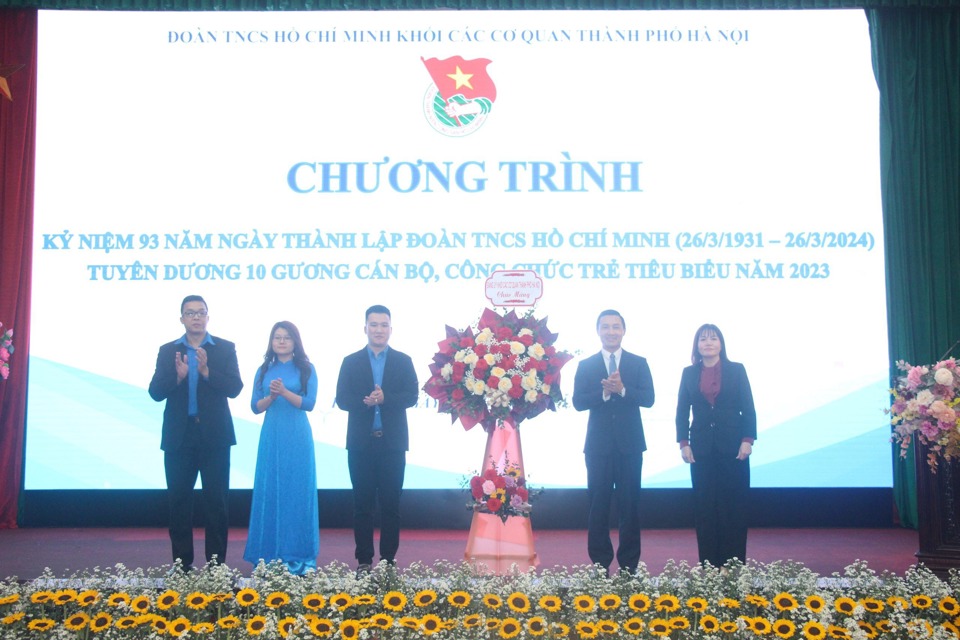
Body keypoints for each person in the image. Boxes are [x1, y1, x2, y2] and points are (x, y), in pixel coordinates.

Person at [148, 295, 243, 570]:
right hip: (180, 437)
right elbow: (155, 392)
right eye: (190, 313)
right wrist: (177, 377)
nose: (196, 317)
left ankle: (216, 566)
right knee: (178, 503)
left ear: (208, 317)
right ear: (182, 319)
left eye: (201, 312)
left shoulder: (224, 349)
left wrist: (206, 371)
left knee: (217, 504)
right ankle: (182, 565)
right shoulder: (169, 351)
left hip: (214, 437)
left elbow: (235, 388)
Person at [335, 304, 419, 572]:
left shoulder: (403, 361)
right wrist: (366, 403)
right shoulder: (351, 361)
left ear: (391, 329)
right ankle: (363, 560)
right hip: (361, 443)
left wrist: (386, 399)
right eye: (374, 325)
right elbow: (342, 399)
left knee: (391, 506)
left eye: (384, 325)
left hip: (392, 444)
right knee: (362, 505)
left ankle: (388, 560)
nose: (379, 330)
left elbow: (412, 396)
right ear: (365, 328)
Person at [572, 309, 655, 575]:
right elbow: (578, 402)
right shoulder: (586, 365)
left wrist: (622, 390)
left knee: (630, 506)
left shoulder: (638, 363)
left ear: (624, 331)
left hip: (630, 446)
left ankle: (629, 566)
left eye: (616, 327)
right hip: (598, 447)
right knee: (598, 507)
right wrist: (604, 394)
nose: (611, 331)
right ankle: (599, 565)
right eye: (605, 327)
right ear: (598, 331)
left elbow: (649, 398)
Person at [675, 323, 757, 568]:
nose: (708, 343)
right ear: (696, 345)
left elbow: (748, 407)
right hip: (700, 449)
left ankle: (733, 566)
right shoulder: (688, 373)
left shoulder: (736, 370)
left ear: (721, 343)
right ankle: (709, 566)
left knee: (734, 507)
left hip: (733, 448)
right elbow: (681, 411)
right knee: (704, 508)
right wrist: (683, 442)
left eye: (713, 338)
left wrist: (747, 440)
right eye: (703, 339)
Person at [243, 321, 319, 575]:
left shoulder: (306, 369)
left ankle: (299, 556)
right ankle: (267, 554)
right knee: (270, 491)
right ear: (271, 341)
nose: (282, 341)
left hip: (297, 437)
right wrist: (272, 397)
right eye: (277, 337)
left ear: (295, 341)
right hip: (272, 436)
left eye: (287, 337)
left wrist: (284, 392)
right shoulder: (264, 369)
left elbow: (308, 404)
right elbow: (255, 406)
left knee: (297, 493)